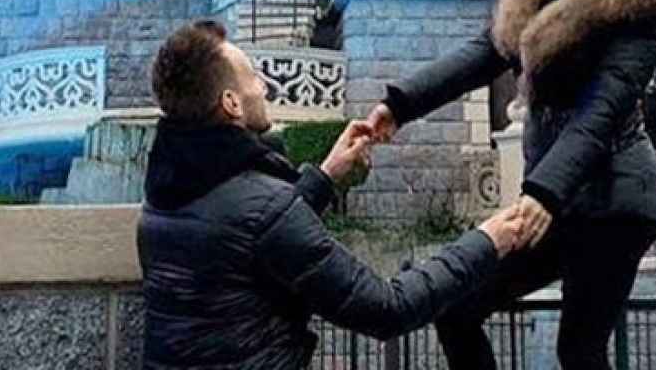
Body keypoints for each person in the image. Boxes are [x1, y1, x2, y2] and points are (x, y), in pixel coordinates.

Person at [361, 0, 656, 370]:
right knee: (455, 307)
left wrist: (543, 191)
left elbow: (605, 105)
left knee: (580, 350)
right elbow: (487, 52)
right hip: (560, 196)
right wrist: (399, 103)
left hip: (614, 200)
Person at [138, 20, 529, 370]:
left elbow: (246, 238)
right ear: (231, 103)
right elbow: (386, 308)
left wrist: (326, 175)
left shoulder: (160, 200)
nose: (265, 86)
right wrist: (484, 241)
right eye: (254, 77)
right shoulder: (264, 206)